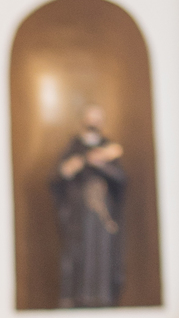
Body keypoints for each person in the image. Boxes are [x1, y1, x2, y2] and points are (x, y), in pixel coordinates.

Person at [50, 102, 126, 307]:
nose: (93, 122)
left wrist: (101, 163)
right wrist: (81, 162)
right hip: (79, 214)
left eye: (97, 118)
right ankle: (78, 295)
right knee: (79, 253)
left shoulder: (109, 147)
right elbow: (59, 177)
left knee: (102, 254)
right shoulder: (74, 148)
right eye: (90, 118)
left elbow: (121, 179)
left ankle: (103, 295)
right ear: (83, 121)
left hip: (103, 214)